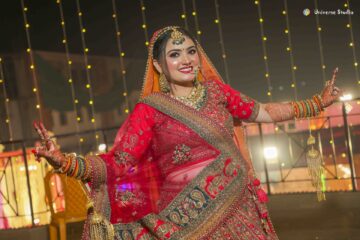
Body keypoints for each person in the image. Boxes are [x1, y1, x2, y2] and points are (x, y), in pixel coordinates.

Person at [33, 26, 341, 240]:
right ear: (158, 65)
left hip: (239, 208)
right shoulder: (150, 109)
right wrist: (65, 162)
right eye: (175, 54)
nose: (186, 60)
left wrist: (316, 103)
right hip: (185, 222)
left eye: (190, 51)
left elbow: (263, 112)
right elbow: (119, 162)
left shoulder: (217, 93)